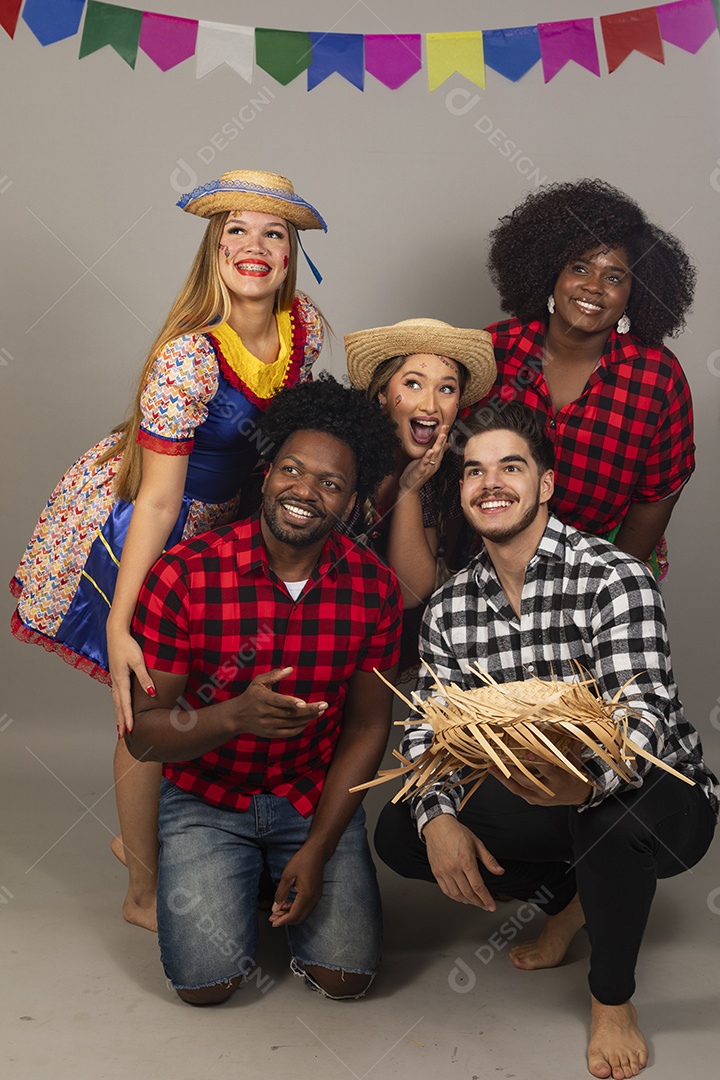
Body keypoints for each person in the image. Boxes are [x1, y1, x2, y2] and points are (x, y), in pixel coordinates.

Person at [10, 169, 327, 931]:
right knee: (148, 705)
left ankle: (165, 839)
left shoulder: (303, 327)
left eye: (272, 233)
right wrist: (122, 623)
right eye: (236, 232)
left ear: (291, 256)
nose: (254, 246)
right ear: (214, 251)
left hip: (228, 521)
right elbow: (157, 499)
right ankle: (143, 889)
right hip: (150, 525)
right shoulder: (189, 357)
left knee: (208, 697)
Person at [374, 403, 718, 1079]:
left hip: (657, 793)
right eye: (474, 470)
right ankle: (571, 900)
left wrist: (587, 780)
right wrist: (437, 814)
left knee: (610, 823)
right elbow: (428, 727)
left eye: (510, 466)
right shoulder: (450, 607)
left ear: (547, 484)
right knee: (399, 834)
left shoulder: (614, 575)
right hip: (536, 794)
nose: (490, 483)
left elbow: (642, 714)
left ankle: (612, 999)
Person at [125, 375, 402, 1005]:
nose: (305, 491)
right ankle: (230, 872)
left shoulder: (374, 588)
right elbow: (144, 734)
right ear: (268, 469)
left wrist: (319, 846)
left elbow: (365, 728)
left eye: (330, 483)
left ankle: (272, 870)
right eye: (293, 469)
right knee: (205, 984)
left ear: (352, 499)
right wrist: (232, 716)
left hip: (310, 798)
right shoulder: (185, 573)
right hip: (207, 798)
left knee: (347, 978)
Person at [478, 178, 697, 581]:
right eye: (579, 268)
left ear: (635, 291)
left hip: (600, 569)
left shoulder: (658, 379)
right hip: (487, 563)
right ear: (551, 274)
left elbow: (658, 495)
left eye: (614, 277)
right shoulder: (494, 350)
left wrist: (608, 587)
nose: (594, 287)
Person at [344, 318, 495, 674]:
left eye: (446, 389)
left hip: (391, 660)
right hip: (327, 639)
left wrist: (410, 488)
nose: (430, 405)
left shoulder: (447, 474)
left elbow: (411, 591)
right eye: (413, 384)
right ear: (383, 393)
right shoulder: (344, 458)